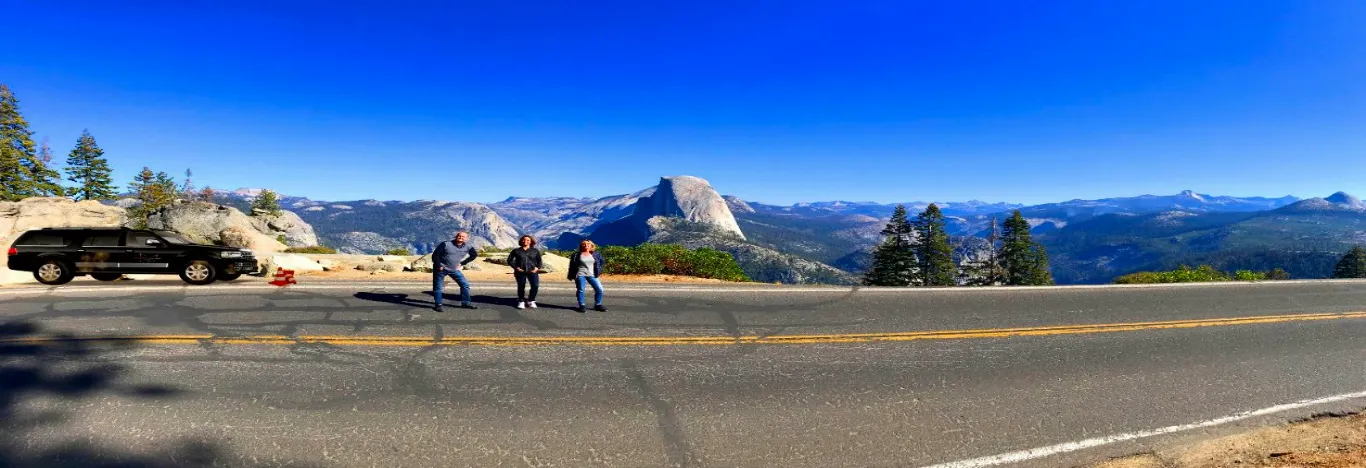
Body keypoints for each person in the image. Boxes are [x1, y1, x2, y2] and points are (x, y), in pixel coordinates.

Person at [432, 231, 479, 312]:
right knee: (438, 287)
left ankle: (466, 303)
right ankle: (438, 305)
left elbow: (474, 255)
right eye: (459, 236)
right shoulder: (446, 244)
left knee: (465, 284)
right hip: (441, 269)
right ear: (456, 236)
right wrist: (439, 265)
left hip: (454, 269)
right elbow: (435, 255)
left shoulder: (468, 246)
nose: (460, 237)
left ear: (466, 239)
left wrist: (462, 263)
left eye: (463, 236)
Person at [566, 239, 607, 313]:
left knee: (600, 289)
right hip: (580, 274)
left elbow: (602, 262)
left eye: (588, 244)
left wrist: (599, 270)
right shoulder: (576, 255)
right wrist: (572, 275)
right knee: (581, 290)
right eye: (583, 244)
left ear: (591, 245)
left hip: (592, 274)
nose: (586, 245)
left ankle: (598, 304)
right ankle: (581, 305)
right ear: (581, 246)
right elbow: (571, 266)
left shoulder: (595, 254)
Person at [506, 235, 543, 309]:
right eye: (524, 240)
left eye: (528, 240)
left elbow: (539, 261)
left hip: (532, 271)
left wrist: (537, 268)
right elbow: (509, 260)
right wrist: (516, 268)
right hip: (520, 271)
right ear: (521, 241)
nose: (525, 241)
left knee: (535, 286)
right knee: (521, 286)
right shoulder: (516, 251)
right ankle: (521, 301)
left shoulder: (535, 251)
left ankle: (531, 300)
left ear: (531, 242)